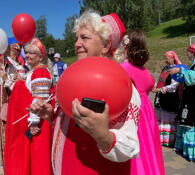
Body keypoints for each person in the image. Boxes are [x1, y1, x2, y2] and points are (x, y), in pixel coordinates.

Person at [30, 10, 141, 175]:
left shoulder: (121, 84)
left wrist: (102, 135)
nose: (77, 43)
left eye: (85, 37)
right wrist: (53, 116)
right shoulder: (74, 77)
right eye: (76, 38)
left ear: (105, 46)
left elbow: (130, 147)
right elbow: (74, 124)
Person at [4, 37, 54, 175]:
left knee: (38, 158)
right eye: (26, 52)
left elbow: (40, 101)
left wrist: (33, 122)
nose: (26, 55)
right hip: (35, 122)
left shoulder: (40, 72)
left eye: (31, 53)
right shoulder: (35, 71)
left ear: (40, 56)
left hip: (38, 125)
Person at [120, 29, 165, 175]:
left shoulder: (122, 69)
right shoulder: (145, 71)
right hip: (147, 115)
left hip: (132, 114)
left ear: (126, 46)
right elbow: (150, 85)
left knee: (134, 148)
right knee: (149, 150)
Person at [169, 43, 195, 162]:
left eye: (188, 51)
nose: (187, 53)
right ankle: (185, 149)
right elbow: (188, 76)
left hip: (194, 100)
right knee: (185, 121)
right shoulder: (194, 64)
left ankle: (194, 153)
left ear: (194, 53)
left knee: (190, 122)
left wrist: (181, 70)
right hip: (189, 98)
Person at [152, 51, 182, 147]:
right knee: (161, 117)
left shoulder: (176, 69)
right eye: (164, 58)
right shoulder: (165, 68)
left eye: (167, 58)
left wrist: (161, 89)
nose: (165, 60)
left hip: (170, 98)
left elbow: (174, 86)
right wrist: (155, 86)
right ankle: (161, 139)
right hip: (161, 96)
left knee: (168, 118)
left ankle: (169, 140)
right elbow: (160, 80)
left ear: (173, 59)